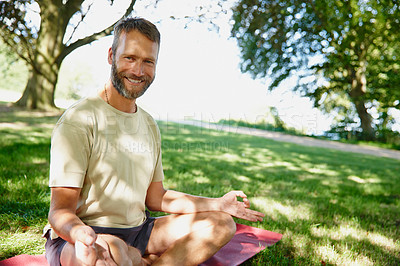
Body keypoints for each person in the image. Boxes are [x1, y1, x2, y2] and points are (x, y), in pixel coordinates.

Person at [43, 17, 265, 266]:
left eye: (148, 61)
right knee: (100, 253)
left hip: (140, 231)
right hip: (84, 235)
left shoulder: (148, 124)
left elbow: (156, 197)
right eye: (129, 58)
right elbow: (60, 211)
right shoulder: (79, 120)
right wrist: (81, 234)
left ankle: (135, 259)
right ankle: (126, 258)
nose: (138, 71)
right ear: (111, 56)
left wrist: (219, 204)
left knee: (222, 223)